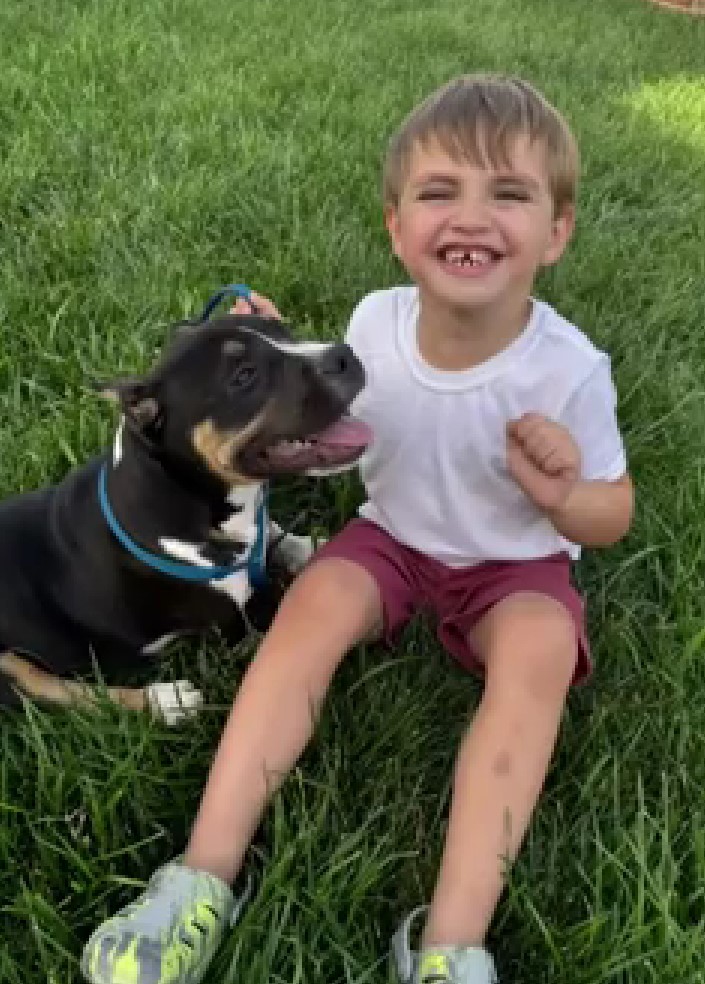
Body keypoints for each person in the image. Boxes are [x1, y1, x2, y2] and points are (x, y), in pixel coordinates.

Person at [82, 74, 634, 984]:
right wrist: (259, 347)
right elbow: (309, 399)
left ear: (557, 232)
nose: (470, 217)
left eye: (508, 193)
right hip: (393, 543)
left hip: (515, 568)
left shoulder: (567, 367)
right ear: (394, 226)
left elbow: (610, 516)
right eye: (437, 191)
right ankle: (199, 878)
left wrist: (566, 495)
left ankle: (452, 945)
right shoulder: (375, 323)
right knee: (308, 607)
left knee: (536, 655)